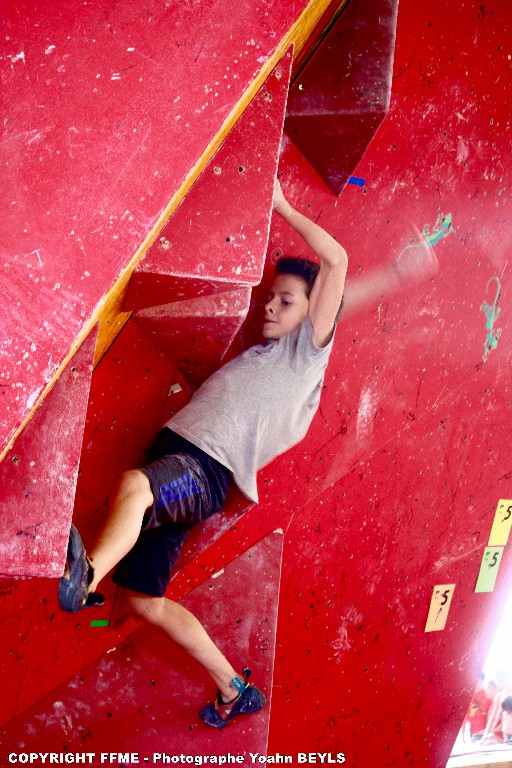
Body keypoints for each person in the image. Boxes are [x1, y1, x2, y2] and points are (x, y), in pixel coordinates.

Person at [58, 178, 438, 728]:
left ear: (312, 314)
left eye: (286, 301)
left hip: (202, 472)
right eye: (270, 298)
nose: (270, 307)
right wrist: (395, 276)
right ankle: (235, 690)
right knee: (144, 601)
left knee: (136, 487)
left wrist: (282, 205)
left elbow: (335, 264)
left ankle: (86, 579)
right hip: (182, 463)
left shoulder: (303, 358)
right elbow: (334, 297)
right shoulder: (270, 355)